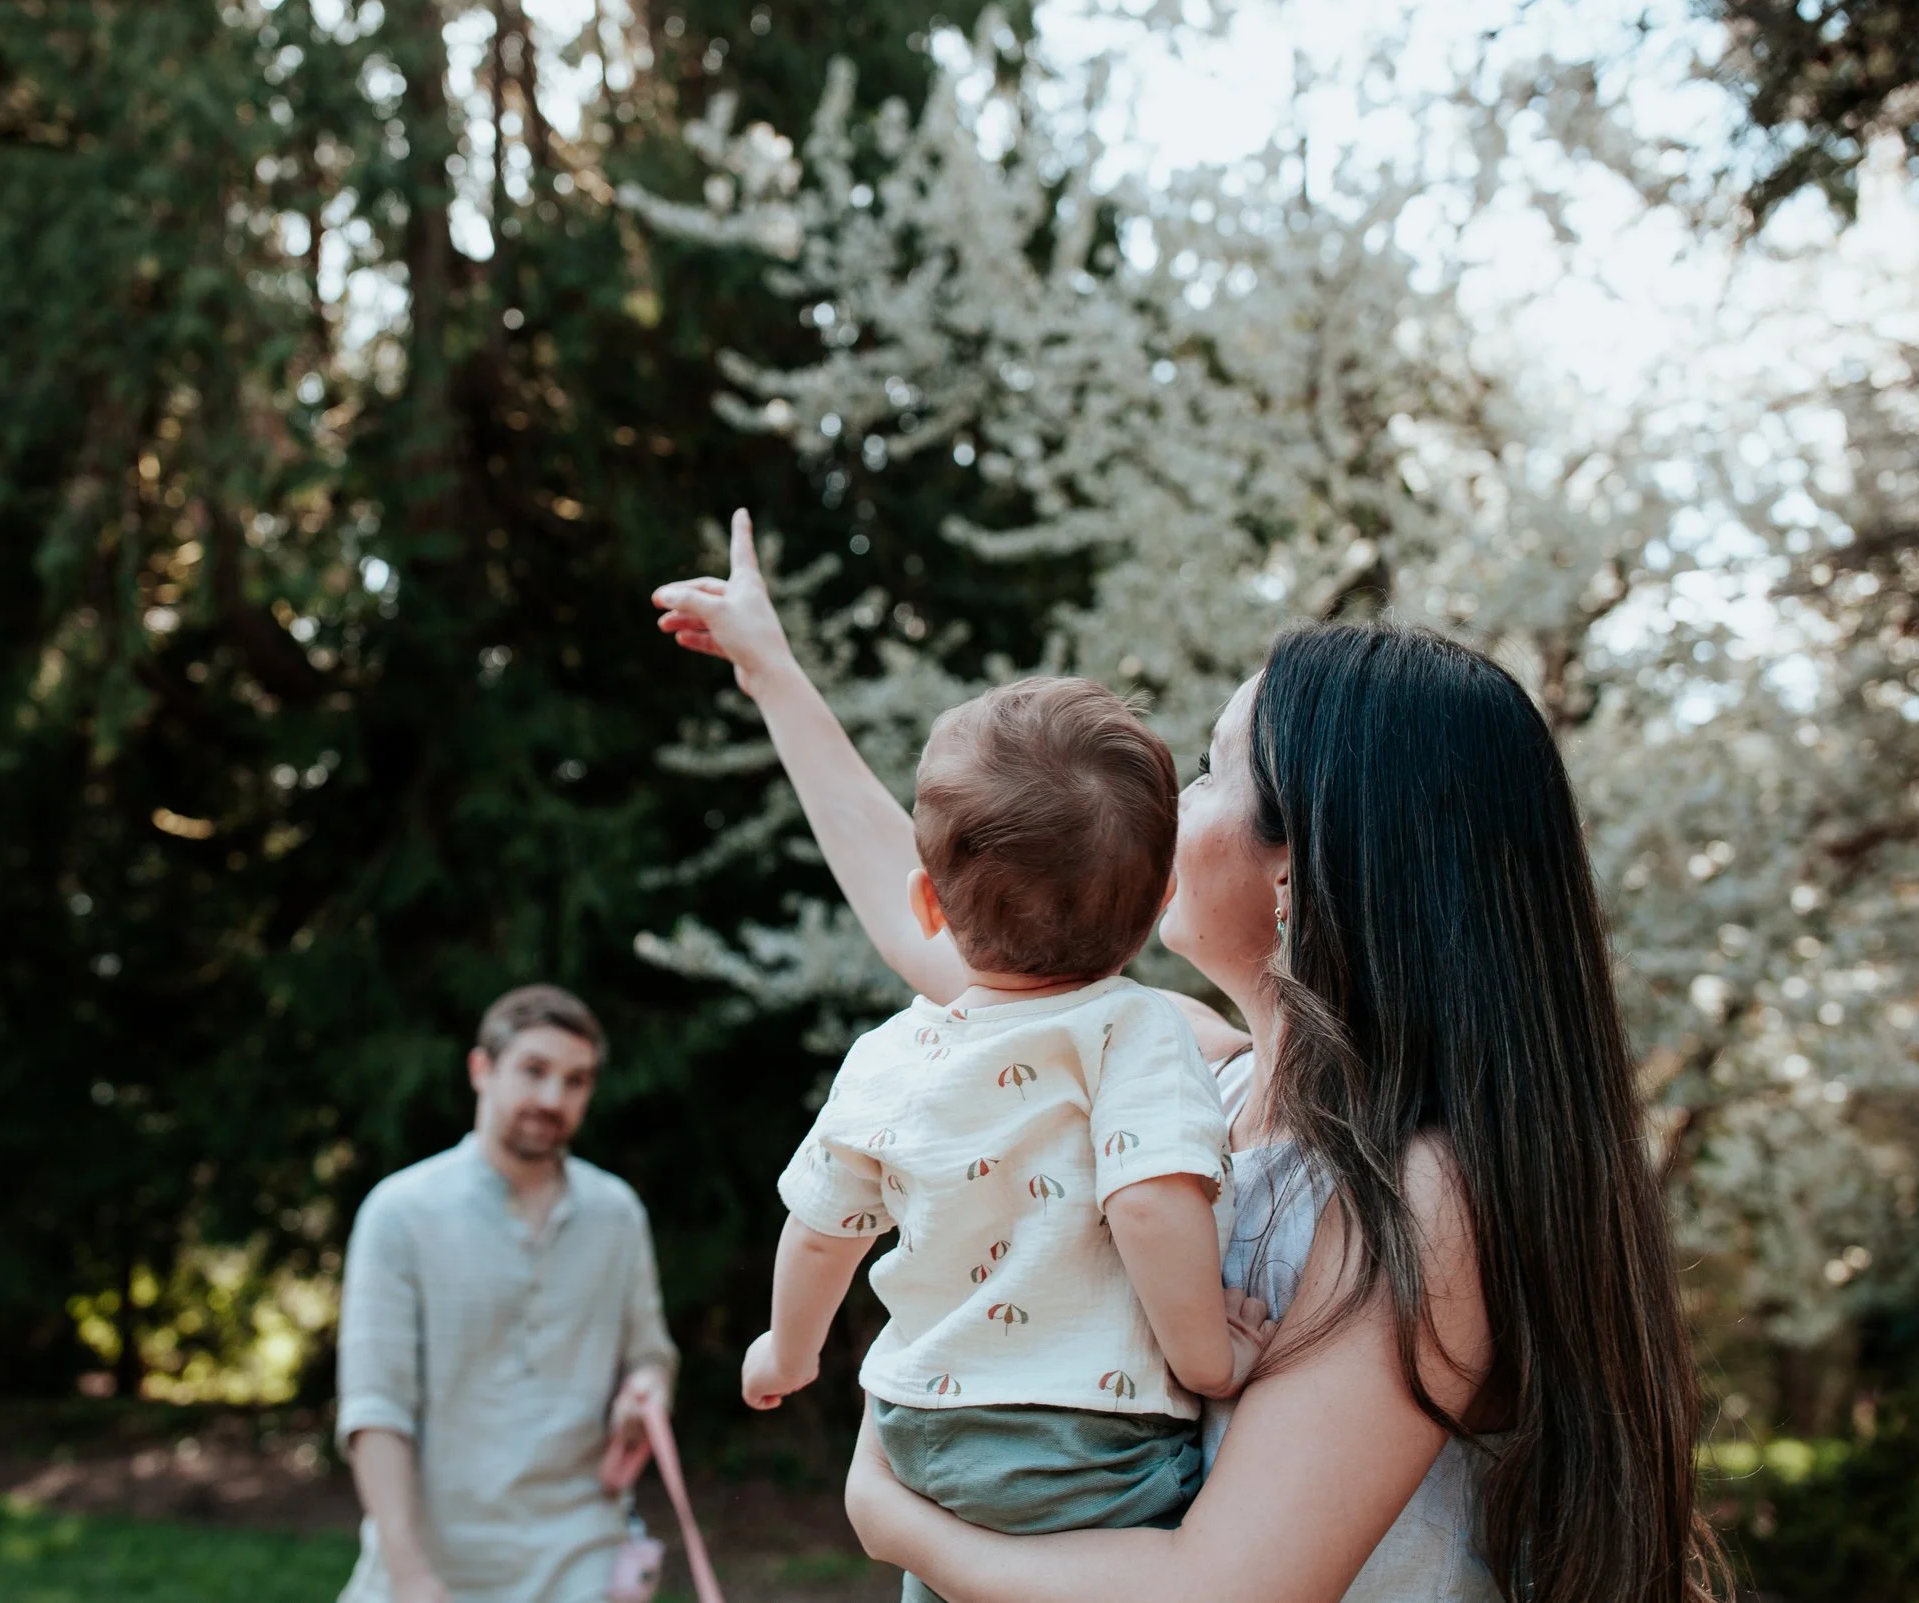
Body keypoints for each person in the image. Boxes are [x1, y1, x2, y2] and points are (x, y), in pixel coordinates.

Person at [652, 512, 1727, 1603]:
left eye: (1208, 773)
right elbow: (934, 908)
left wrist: (894, 1517)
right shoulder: (1182, 1076)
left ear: (1292, 873)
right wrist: (772, 671)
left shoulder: (1420, 1194)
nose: (1168, 803)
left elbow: (1224, 1586)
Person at [742, 677, 1268, 1603]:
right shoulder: (1137, 1031)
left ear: (928, 904)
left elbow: (822, 1226)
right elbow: (1149, 1201)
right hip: (1086, 1439)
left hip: (921, 1430)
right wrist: (1206, 1359)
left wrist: (787, 1351)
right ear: (1155, 910)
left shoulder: (891, 1052)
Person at [334, 984, 679, 1603]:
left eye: (576, 1081)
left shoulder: (616, 1213)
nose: (553, 1098)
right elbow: (374, 1410)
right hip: (435, 1564)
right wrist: (410, 1574)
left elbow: (650, 1354)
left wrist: (645, 1390)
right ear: (481, 1069)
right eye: (534, 1071)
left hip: (584, 1556)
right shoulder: (400, 1212)